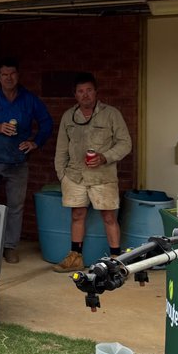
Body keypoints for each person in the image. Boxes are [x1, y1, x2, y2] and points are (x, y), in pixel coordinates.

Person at [0, 57, 53, 264]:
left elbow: (47, 122)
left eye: (12, 74)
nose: (9, 78)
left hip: (18, 161)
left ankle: (10, 246)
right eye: (4, 74)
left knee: (15, 206)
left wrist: (36, 143)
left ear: (18, 75)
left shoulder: (29, 99)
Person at [52, 72, 132, 273]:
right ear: (75, 95)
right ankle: (75, 257)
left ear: (96, 92)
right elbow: (61, 148)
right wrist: (62, 175)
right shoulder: (69, 116)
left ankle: (116, 260)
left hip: (103, 176)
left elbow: (125, 143)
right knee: (77, 214)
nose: (85, 95)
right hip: (75, 176)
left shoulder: (111, 114)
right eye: (80, 91)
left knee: (109, 216)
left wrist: (105, 157)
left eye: (89, 90)